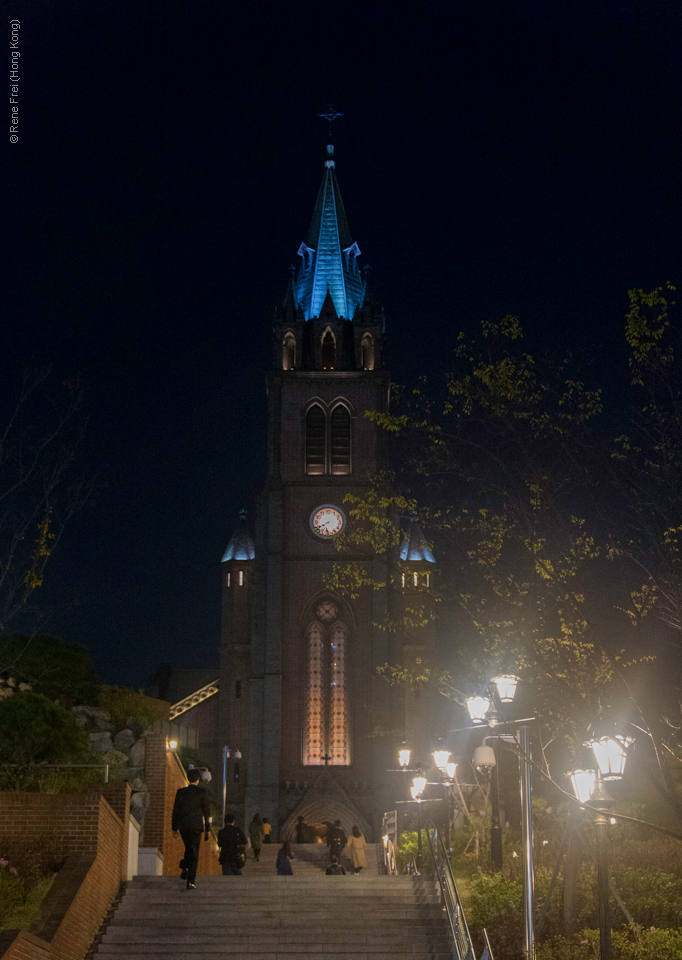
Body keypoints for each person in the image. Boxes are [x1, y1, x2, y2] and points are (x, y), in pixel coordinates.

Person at [171, 768, 211, 889]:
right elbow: (207, 813)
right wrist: (207, 829)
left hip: (183, 826)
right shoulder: (202, 793)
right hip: (196, 826)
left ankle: (185, 867)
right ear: (198, 779)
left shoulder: (181, 792)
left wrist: (174, 827)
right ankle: (191, 880)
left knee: (189, 848)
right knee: (194, 851)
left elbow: (175, 811)